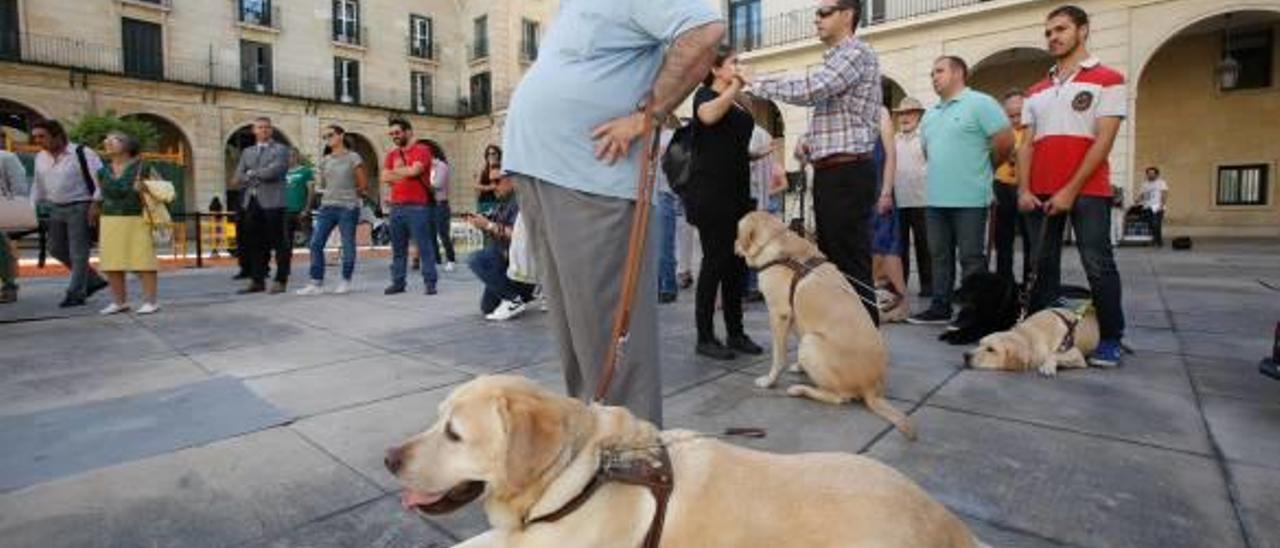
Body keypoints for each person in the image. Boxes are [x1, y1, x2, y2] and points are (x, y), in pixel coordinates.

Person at [503, 0, 724, 425]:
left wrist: (648, 116)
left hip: (591, 179)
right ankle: (595, 442)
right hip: (543, 170)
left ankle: (633, 457)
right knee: (574, 331)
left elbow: (705, 31)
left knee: (608, 334)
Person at [747, 0, 883, 324]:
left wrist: (757, 80)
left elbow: (813, 88)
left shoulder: (855, 53)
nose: (816, 19)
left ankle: (863, 340)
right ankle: (846, 337)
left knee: (849, 261)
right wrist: (810, 141)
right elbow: (835, 112)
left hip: (847, 173)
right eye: (817, 13)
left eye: (825, 12)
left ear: (848, 14)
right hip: (835, 171)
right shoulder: (838, 59)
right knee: (836, 261)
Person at [1019, 5, 1128, 367]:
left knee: (1097, 264)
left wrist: (1070, 189)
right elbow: (1027, 146)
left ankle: (1111, 338)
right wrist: (1023, 189)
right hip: (1040, 192)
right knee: (1041, 265)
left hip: (1088, 190)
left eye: (1061, 29)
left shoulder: (1108, 79)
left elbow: (1104, 141)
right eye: (1048, 32)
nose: (1053, 37)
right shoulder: (1035, 90)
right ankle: (1038, 334)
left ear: (1082, 30)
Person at [908, 56, 1014, 325]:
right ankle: (940, 307)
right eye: (932, 72)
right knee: (939, 255)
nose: (934, 77)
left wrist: (985, 167)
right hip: (935, 198)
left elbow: (1005, 141)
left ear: (958, 73)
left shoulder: (981, 103)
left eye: (939, 71)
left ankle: (972, 312)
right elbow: (928, 152)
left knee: (971, 258)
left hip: (971, 198)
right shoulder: (930, 115)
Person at [686, 45, 764, 361]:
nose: (739, 66)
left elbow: (736, 132)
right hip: (711, 194)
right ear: (716, 69)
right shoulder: (704, 96)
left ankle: (736, 332)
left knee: (736, 265)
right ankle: (705, 337)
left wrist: (751, 155)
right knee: (715, 262)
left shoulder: (735, 99)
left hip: (737, 192)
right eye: (733, 62)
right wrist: (735, 86)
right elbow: (708, 117)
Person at [30, 119, 110, 307]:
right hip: (55, 207)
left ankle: (76, 293)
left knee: (78, 252)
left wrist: (95, 204)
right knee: (55, 248)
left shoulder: (82, 153)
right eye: (35, 137)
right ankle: (93, 280)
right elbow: (38, 185)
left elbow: (101, 180)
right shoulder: (40, 157)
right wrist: (31, 207)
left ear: (57, 135)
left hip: (81, 206)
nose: (38, 141)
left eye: (42, 136)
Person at [95, 131, 160, 315]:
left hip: (138, 217)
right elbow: (100, 194)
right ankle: (119, 302)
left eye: (114, 139)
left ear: (127, 145)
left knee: (143, 260)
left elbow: (164, 189)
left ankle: (150, 301)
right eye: (106, 139)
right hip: (110, 219)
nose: (107, 142)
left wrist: (146, 188)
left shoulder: (143, 166)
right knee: (112, 261)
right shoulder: (102, 171)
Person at [297, 125, 367, 295]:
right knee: (315, 243)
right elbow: (323, 184)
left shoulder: (353, 157)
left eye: (331, 135)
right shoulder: (325, 160)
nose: (328, 139)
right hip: (327, 206)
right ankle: (316, 282)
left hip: (347, 207)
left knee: (347, 244)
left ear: (341, 135)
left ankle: (345, 280)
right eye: (325, 137)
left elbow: (363, 184)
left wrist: (348, 195)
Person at [232, 117, 291, 294]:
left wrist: (250, 174)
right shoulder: (247, 152)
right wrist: (253, 175)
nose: (264, 130)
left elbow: (276, 171)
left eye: (267, 127)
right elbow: (236, 177)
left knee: (279, 243)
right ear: (254, 130)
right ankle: (257, 280)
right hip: (251, 201)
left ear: (271, 130)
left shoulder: (280, 149)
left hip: (274, 202)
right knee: (254, 243)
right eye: (260, 127)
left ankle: (281, 279)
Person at [381, 118, 437, 296]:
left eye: (397, 133)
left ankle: (430, 283)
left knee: (424, 245)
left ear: (408, 132)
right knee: (398, 248)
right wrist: (405, 171)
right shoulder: (391, 155)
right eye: (391, 134)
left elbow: (415, 171)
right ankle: (398, 282)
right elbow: (384, 177)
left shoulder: (422, 150)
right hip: (396, 207)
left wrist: (397, 172)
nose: (394, 136)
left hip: (418, 206)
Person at [466, 175, 534, 321]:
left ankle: (514, 299)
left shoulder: (520, 202)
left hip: (520, 266)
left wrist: (488, 225)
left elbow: (519, 235)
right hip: (508, 263)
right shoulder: (502, 202)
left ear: (511, 180)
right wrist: (482, 224)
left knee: (476, 259)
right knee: (487, 308)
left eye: (497, 181)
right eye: (490, 182)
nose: (493, 186)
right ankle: (519, 296)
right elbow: (497, 231)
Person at [871, 106, 909, 322]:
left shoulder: (880, 112)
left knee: (888, 246)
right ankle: (884, 302)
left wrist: (885, 192)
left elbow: (890, 155)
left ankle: (902, 304)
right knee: (874, 247)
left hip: (879, 190)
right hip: (863, 188)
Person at [892, 97, 931, 298]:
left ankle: (928, 286)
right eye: (901, 114)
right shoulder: (894, 139)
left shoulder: (926, 137)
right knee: (900, 247)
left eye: (909, 113)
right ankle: (901, 286)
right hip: (899, 199)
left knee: (925, 244)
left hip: (923, 198)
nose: (905, 117)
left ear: (918, 115)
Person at [993, 89, 1031, 285]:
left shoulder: (1033, 130)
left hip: (1027, 188)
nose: (1016, 119)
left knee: (1030, 240)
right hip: (1002, 186)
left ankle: (1029, 285)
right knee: (1003, 241)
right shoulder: (999, 132)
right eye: (1011, 115)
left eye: (1019, 114)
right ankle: (1004, 282)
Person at [421, 139, 456, 271]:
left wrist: (422, 183)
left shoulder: (441, 166)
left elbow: (438, 184)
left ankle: (451, 259)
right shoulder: (426, 167)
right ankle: (436, 259)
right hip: (429, 204)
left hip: (440, 204)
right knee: (430, 234)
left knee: (443, 233)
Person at [655, 121, 680, 304]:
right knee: (649, 248)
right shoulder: (644, 136)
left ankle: (668, 286)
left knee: (665, 245)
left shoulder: (671, 136)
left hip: (664, 194)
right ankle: (654, 286)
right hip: (645, 196)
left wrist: (666, 154)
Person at [0, 149, 28, 304]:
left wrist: (14, 207)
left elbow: (20, 188)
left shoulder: (6, 157)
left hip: (2, 210)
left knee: (2, 250)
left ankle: (9, 287)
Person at [284, 147, 313, 258]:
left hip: (301, 210)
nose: (289, 159)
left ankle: (315, 263)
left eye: (291, 156)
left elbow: (311, 191)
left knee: (310, 238)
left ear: (296, 157)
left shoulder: (305, 171)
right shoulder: (282, 173)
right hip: (286, 211)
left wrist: (307, 209)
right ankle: (285, 267)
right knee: (286, 241)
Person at [1139, 166, 1168, 247]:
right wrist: (1137, 200)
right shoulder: (1144, 184)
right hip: (1147, 206)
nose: (1150, 175)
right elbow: (1142, 195)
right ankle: (1155, 239)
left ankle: (1158, 241)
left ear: (1156, 174)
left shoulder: (1161, 182)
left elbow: (1164, 194)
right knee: (1150, 223)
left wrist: (1162, 205)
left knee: (1157, 224)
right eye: (1148, 173)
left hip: (1157, 206)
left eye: (1152, 173)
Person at [474, 145, 502, 215]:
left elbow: (496, 186)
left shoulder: (502, 168)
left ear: (498, 155)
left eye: (493, 153)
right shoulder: (483, 169)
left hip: (496, 202)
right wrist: (488, 188)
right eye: (488, 154)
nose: (491, 156)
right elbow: (476, 186)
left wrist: (492, 166)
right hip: (483, 202)